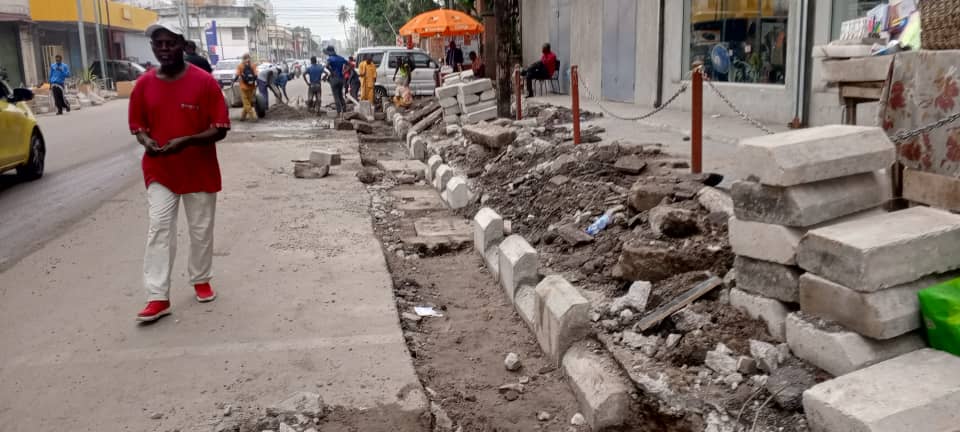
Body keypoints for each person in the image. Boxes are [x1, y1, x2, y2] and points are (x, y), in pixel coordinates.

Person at [128, 22, 230, 322]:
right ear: (152, 48)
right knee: (159, 228)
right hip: (160, 170)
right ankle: (157, 296)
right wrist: (147, 142)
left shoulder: (204, 82)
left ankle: (200, 278)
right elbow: (138, 128)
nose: (164, 49)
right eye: (158, 44)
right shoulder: (144, 85)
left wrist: (186, 141)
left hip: (198, 169)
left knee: (200, 230)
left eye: (170, 43)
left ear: (182, 45)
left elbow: (221, 128)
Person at [324, 46, 348, 116]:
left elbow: (326, 66)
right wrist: (344, 71)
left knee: (336, 96)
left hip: (334, 79)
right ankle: (344, 109)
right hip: (341, 79)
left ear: (330, 52)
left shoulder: (330, 59)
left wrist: (332, 72)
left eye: (328, 52)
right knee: (340, 95)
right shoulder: (341, 58)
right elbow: (350, 65)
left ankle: (339, 112)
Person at [233, 53, 258, 121]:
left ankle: (253, 116)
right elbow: (256, 75)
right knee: (248, 103)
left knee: (246, 103)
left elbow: (237, 75)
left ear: (243, 58)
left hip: (243, 87)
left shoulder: (240, 66)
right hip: (252, 86)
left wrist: (233, 81)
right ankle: (243, 116)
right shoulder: (253, 65)